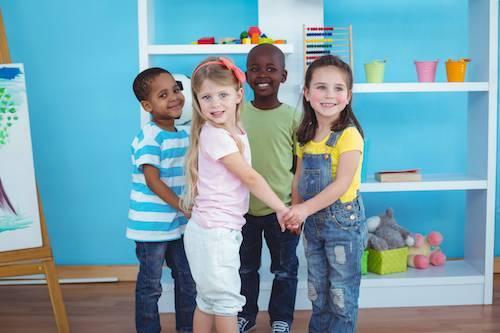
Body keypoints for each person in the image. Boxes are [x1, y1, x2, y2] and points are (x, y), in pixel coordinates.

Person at [181, 56, 292, 333]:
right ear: (197, 101)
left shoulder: (235, 131)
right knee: (226, 303)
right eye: (206, 97)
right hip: (214, 233)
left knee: (209, 301)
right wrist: (281, 207)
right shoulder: (215, 135)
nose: (215, 103)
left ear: (238, 95)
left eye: (222, 94)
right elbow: (250, 177)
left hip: (214, 231)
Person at [284, 55, 367, 333]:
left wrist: (304, 210)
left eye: (338, 88)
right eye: (320, 87)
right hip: (313, 226)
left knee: (341, 292)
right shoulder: (303, 135)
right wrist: (295, 210)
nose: (329, 95)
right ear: (306, 93)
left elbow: (341, 183)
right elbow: (297, 178)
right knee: (317, 289)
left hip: (342, 224)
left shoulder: (349, 135)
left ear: (348, 95)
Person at [238, 43, 301, 333]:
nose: (262, 74)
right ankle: (245, 314)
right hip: (243, 210)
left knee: (285, 270)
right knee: (245, 268)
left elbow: (298, 167)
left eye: (271, 69)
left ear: (284, 76)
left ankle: (281, 319)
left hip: (282, 211)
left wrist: (296, 210)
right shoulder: (236, 115)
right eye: (255, 68)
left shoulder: (292, 117)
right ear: (246, 76)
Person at [127, 67, 196, 333]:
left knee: (187, 280)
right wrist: (183, 205)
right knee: (151, 285)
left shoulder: (183, 133)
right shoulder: (149, 136)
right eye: (163, 94)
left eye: (176, 90)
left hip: (179, 225)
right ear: (147, 105)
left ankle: (187, 328)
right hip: (151, 228)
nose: (174, 97)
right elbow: (153, 181)